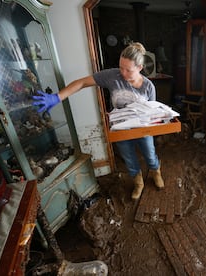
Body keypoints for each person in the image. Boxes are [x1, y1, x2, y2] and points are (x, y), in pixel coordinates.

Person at [33, 42, 164, 200]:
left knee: (150, 154)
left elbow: (152, 112)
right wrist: (57, 97)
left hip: (142, 128)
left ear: (140, 68)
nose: (122, 73)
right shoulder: (112, 76)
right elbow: (82, 82)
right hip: (120, 129)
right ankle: (138, 183)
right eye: (120, 67)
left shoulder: (148, 87)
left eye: (127, 70)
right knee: (129, 158)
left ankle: (155, 171)